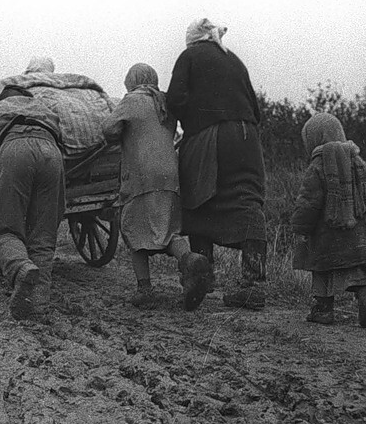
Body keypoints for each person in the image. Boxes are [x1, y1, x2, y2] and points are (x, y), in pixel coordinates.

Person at [166, 18, 267, 310]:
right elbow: (255, 108)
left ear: (192, 39)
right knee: (247, 200)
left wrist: (192, 119)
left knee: (199, 198)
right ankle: (252, 286)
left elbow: (174, 99)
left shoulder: (190, 55)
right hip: (247, 136)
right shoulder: (232, 58)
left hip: (210, 135)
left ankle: (203, 275)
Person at [102, 63, 213, 311]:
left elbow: (108, 128)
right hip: (170, 175)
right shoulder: (164, 101)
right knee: (168, 230)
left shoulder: (133, 100)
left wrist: (121, 131)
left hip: (142, 177)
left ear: (132, 82)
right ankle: (190, 260)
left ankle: (145, 290)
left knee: (134, 228)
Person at [0, 85, 64, 321]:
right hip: (52, 155)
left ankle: (19, 267)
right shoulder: (45, 110)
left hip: (15, 151)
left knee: (3, 231)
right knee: (44, 237)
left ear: (3, 98)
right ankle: (37, 304)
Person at [291, 113, 366, 327]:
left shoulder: (318, 165)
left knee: (322, 267)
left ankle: (323, 309)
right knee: (359, 272)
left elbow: (308, 202)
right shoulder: (360, 161)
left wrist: (301, 226)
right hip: (363, 239)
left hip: (330, 237)